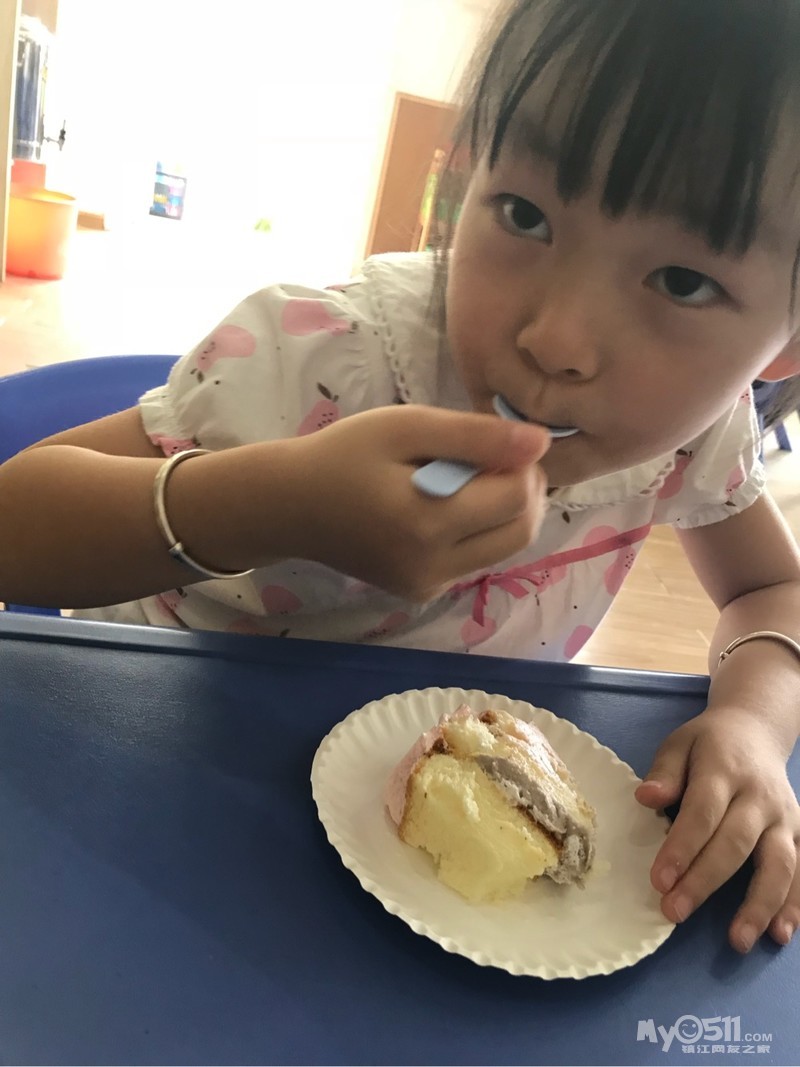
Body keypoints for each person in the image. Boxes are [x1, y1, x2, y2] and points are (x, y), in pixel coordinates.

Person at [0, 0, 798, 955]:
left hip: (418, 891)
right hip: (147, 788)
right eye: (526, 214)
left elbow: (772, 589)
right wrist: (274, 501)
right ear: (457, 183)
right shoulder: (324, 361)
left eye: (682, 281)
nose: (556, 339)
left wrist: (754, 722)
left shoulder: (696, 435)